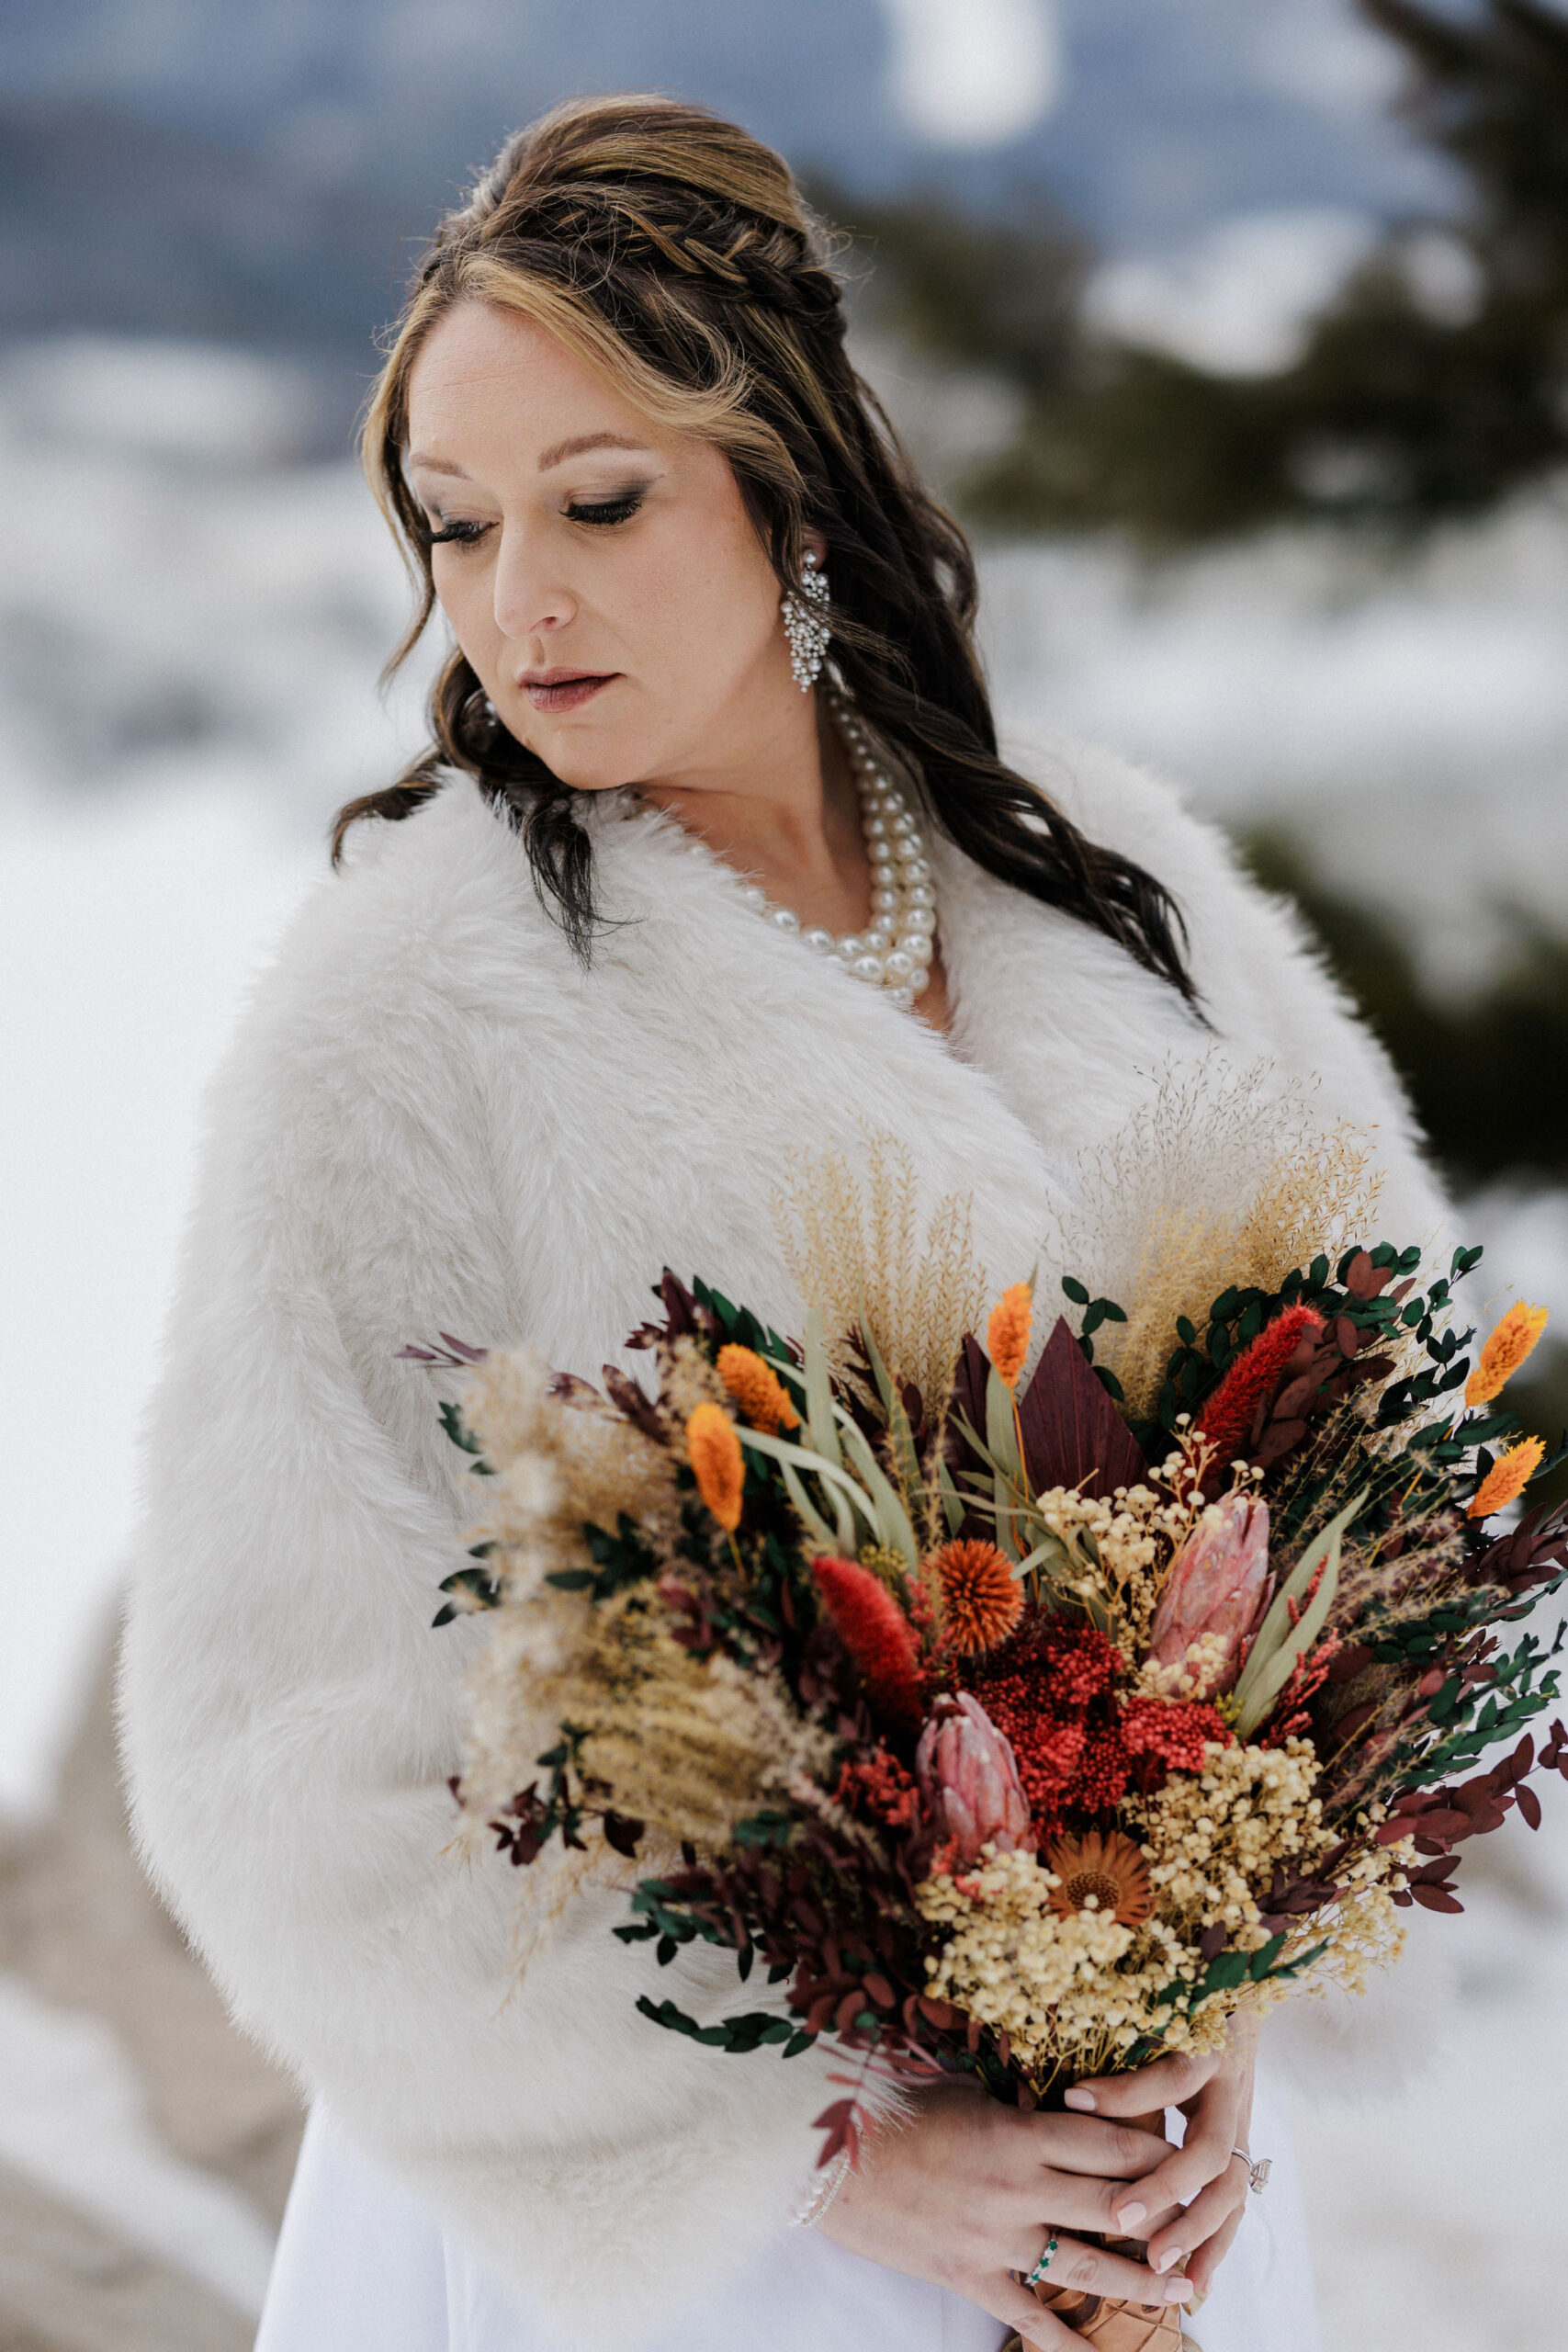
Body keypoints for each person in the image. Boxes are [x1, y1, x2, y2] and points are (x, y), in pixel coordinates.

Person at [119, 94, 1445, 2352]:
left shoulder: (1115, 907)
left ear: (790, 491)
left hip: (1136, 2169)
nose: (512, 599)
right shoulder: (411, 1007)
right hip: (683, 2234)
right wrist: (813, 2143)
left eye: (599, 502)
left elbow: (1388, 1472)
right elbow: (272, 1744)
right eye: (453, 527)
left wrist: (1223, 1971)